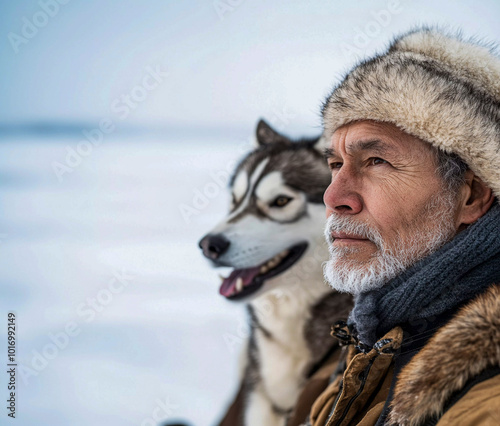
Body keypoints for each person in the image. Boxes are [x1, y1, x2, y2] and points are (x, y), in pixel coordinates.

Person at [297, 28, 500, 426]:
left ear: (471, 196)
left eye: (376, 161)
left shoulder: (486, 401)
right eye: (335, 164)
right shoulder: (376, 332)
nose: (334, 196)